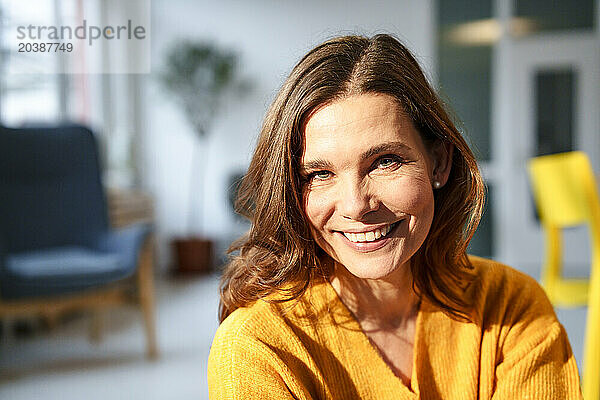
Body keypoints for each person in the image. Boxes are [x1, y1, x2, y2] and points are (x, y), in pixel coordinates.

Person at [207, 34, 582, 399]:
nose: (355, 205)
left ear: (438, 162)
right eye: (319, 174)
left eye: (385, 161)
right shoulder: (257, 349)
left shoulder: (510, 306)